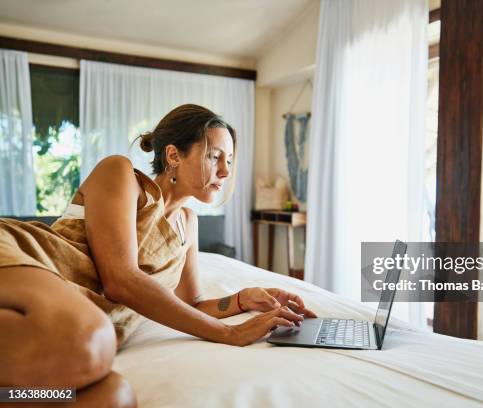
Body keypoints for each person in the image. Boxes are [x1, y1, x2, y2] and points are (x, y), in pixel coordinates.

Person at [0, 104, 316, 407]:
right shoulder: (120, 173)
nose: (224, 170)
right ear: (173, 155)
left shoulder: (188, 223)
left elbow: (189, 305)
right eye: (214, 155)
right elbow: (121, 280)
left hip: (79, 315)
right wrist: (230, 332)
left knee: (115, 397)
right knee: (91, 340)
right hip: (27, 258)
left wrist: (242, 300)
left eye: (230, 160)